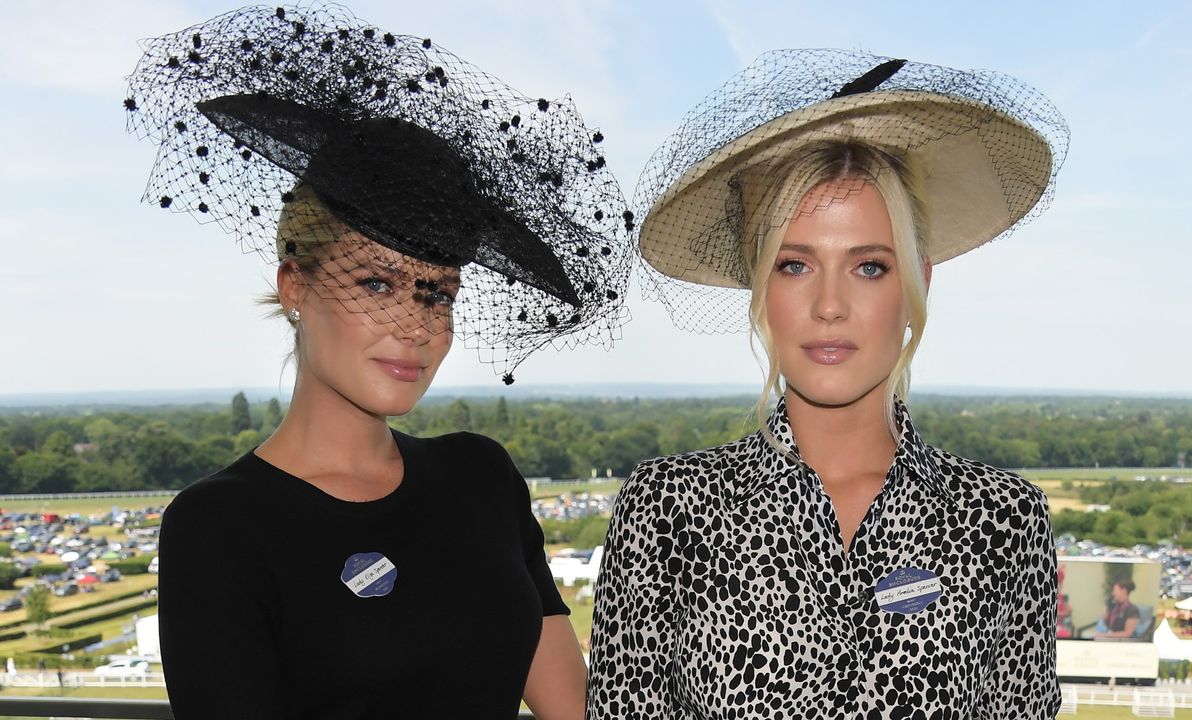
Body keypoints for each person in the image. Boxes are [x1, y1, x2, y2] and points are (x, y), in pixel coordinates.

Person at [124, 5, 631, 718]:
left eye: (438, 293)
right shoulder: (221, 528)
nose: (415, 326)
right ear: (294, 285)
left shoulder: (481, 478)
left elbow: (577, 709)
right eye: (376, 283)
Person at [589, 49, 1068, 717]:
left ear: (918, 282)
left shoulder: (1003, 521)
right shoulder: (667, 512)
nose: (830, 305)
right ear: (760, 288)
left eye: (869, 267)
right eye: (794, 265)